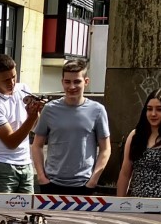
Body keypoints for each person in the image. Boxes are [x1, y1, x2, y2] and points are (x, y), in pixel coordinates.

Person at [32, 59, 110, 194]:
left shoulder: (97, 110)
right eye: (67, 82)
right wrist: (41, 177)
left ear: (86, 82)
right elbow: (37, 145)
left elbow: (106, 149)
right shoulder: (49, 109)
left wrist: (93, 180)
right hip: (51, 183)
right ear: (62, 82)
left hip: (84, 184)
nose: (72, 86)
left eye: (77, 81)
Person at [0, 54, 42, 194]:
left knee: (27, 207)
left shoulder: (23, 89)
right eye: (6, 80)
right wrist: (32, 117)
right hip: (1, 165)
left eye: (14, 77)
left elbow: (33, 127)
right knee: (0, 207)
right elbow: (11, 142)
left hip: (25, 163)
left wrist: (37, 112)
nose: (12, 83)